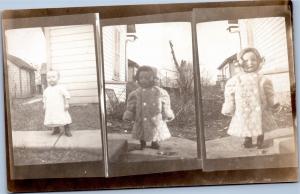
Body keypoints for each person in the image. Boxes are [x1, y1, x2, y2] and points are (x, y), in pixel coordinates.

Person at [221, 47, 280, 149]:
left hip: (260, 108)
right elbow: (229, 93)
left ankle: (260, 140)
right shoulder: (236, 80)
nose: (250, 63)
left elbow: (269, 93)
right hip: (244, 108)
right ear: (240, 63)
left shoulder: (262, 79)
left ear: (258, 61)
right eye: (246, 60)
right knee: (246, 124)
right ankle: (247, 140)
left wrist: (273, 103)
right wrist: (229, 106)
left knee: (261, 124)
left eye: (253, 59)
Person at [123, 66, 175, 150]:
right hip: (141, 116)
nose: (143, 80)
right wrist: (129, 114)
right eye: (141, 78)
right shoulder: (136, 93)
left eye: (146, 78)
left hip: (155, 117)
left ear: (153, 79)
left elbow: (165, 103)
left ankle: (155, 142)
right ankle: (142, 142)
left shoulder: (159, 92)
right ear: (138, 79)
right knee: (141, 130)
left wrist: (166, 112)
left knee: (155, 130)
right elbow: (131, 105)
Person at [43, 70, 72, 137]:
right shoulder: (47, 90)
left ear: (58, 78)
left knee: (63, 117)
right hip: (51, 108)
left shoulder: (60, 88)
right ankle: (56, 129)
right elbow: (44, 98)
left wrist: (66, 104)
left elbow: (66, 96)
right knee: (53, 118)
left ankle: (67, 129)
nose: (51, 79)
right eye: (49, 77)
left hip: (60, 107)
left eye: (53, 77)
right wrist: (44, 105)